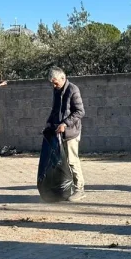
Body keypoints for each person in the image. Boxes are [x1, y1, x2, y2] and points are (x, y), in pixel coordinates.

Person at [46, 67, 86, 201]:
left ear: (63, 78)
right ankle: (64, 189)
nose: (53, 85)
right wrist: (49, 124)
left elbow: (80, 112)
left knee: (72, 162)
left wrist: (65, 124)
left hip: (71, 133)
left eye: (55, 82)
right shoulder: (56, 91)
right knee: (61, 163)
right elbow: (55, 110)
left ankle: (79, 190)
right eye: (52, 83)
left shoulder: (73, 90)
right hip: (59, 134)